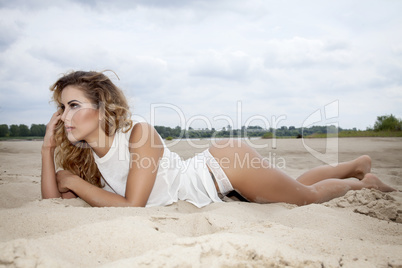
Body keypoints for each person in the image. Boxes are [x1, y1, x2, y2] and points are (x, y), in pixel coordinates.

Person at [41, 71, 396, 208]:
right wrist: (47, 151)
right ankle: (354, 166)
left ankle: (360, 183)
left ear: (102, 109)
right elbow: (52, 203)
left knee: (306, 197)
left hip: (223, 169)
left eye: (74, 105)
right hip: (219, 186)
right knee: (291, 186)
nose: (64, 115)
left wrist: (71, 180)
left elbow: (133, 207)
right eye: (61, 107)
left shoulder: (139, 134)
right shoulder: (88, 158)